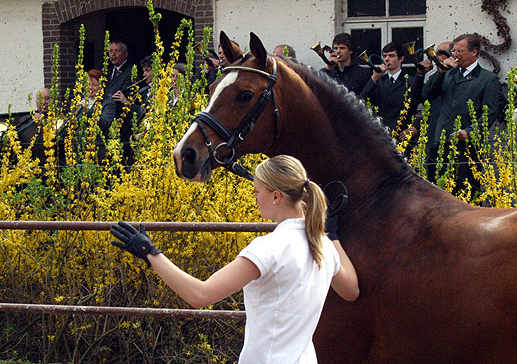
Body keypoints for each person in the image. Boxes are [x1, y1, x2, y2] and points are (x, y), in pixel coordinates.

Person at [110, 155, 359, 364]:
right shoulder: (325, 246)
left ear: (275, 197)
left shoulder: (269, 248)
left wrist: (151, 254)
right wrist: (332, 235)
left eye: (257, 192)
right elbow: (351, 290)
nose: (254, 197)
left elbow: (200, 295)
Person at [422, 34, 500, 194]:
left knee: (467, 191)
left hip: (468, 147)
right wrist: (440, 72)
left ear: (474, 52)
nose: (454, 55)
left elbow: (490, 112)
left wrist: (470, 131)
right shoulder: (448, 74)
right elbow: (427, 96)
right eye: (454, 51)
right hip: (443, 142)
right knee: (441, 192)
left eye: (460, 51)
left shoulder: (487, 78)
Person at [359, 41, 428, 139]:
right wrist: (374, 78)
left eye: (391, 56)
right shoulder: (378, 81)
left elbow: (424, 105)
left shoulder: (410, 81)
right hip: (380, 136)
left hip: (402, 136)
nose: (387, 59)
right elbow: (362, 101)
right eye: (385, 56)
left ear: (401, 59)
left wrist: (416, 127)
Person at [60, 69, 116, 162]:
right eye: (88, 84)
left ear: (101, 87)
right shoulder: (79, 103)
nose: (91, 88)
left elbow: (104, 123)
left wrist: (88, 111)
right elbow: (69, 124)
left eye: (94, 85)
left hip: (97, 152)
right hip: (78, 151)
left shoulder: (108, 104)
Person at [423, 41, 451, 182]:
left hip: (452, 138)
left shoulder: (460, 75)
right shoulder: (436, 75)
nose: (438, 57)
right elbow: (425, 97)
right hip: (434, 137)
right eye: (436, 54)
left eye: (444, 54)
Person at [105, 41, 136, 166]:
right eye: (110, 51)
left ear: (125, 54)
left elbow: (123, 92)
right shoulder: (108, 70)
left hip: (121, 120)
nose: (113, 54)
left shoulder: (131, 71)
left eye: (116, 51)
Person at [14, 88, 52, 167]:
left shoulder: (59, 121)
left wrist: (44, 123)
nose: (44, 102)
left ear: (53, 100)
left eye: (47, 98)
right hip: (29, 169)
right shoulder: (26, 120)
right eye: (40, 99)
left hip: (52, 167)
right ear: (36, 102)